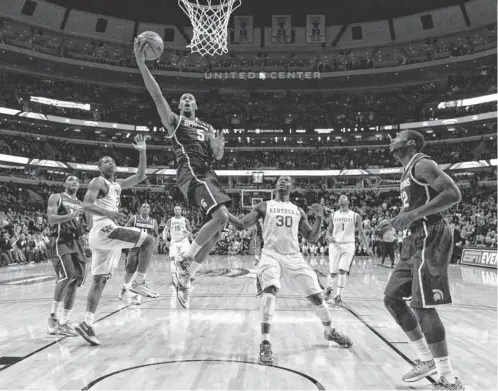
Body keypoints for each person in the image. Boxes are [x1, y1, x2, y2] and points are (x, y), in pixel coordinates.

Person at [135, 38, 230, 309]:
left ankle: (187, 277)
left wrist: (218, 147)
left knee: (217, 231)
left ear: (196, 106)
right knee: (221, 216)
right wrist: (142, 65)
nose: (187, 100)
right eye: (183, 99)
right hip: (192, 173)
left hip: (208, 174)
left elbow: (218, 156)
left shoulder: (207, 125)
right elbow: (157, 96)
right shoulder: (175, 122)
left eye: (191, 99)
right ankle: (185, 261)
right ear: (180, 106)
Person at [228, 176, 352, 365]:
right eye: (280, 179)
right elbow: (241, 224)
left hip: (294, 256)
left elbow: (311, 237)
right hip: (270, 254)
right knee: (270, 291)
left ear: (292, 186)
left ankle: (330, 332)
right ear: (276, 185)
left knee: (317, 298)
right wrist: (223, 214)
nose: (283, 181)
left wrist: (318, 218)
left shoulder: (297, 210)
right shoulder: (264, 206)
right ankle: (265, 343)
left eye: (287, 180)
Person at [376, 130, 465, 390]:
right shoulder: (406, 172)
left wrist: (413, 214)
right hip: (414, 237)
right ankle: (426, 359)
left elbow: (453, 194)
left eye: (397, 136)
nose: (391, 139)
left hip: (432, 234)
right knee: (392, 298)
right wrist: (396, 219)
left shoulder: (423, 164)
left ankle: (448, 377)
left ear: (411, 142)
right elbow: (414, 208)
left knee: (423, 305)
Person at [75, 135, 157, 346]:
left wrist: (142, 151)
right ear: (99, 167)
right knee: (148, 240)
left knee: (100, 281)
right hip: (104, 227)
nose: (110, 162)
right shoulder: (98, 181)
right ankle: (138, 282)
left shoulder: (117, 184)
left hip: (103, 236)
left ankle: (87, 323)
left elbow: (140, 175)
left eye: (112, 160)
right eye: (105, 161)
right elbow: (86, 205)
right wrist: (108, 213)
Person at [46, 175, 88, 336]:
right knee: (66, 276)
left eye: (77, 180)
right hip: (60, 241)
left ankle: (64, 322)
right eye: (70, 179)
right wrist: (71, 215)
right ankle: (52, 318)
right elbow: (51, 219)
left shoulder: (80, 203)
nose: (74, 181)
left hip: (75, 242)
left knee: (75, 280)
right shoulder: (56, 197)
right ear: (64, 183)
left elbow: (82, 226)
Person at [324, 195, 373, 306]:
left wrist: (367, 247)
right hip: (335, 245)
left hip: (349, 245)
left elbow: (361, 232)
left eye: (344, 197)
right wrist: (329, 237)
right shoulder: (333, 215)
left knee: (342, 271)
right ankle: (329, 287)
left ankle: (338, 296)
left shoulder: (356, 216)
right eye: (340, 198)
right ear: (338, 202)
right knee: (333, 272)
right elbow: (329, 231)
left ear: (348, 201)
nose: (341, 199)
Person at [118, 202, 159, 305]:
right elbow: (125, 229)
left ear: (150, 210)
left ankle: (136, 296)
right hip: (134, 247)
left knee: (141, 272)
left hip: (145, 248)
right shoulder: (134, 218)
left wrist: (155, 246)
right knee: (130, 271)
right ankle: (124, 287)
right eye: (144, 206)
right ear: (140, 209)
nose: (145, 208)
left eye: (147, 207)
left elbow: (157, 235)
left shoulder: (153, 222)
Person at [162, 206, 191, 277]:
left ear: (181, 211)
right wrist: (165, 240)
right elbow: (165, 231)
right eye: (176, 209)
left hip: (184, 241)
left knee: (185, 257)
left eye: (179, 209)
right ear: (174, 211)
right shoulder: (170, 220)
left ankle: (185, 273)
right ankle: (174, 274)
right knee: (173, 257)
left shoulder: (185, 220)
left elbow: (190, 231)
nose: (177, 211)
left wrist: (187, 233)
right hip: (174, 241)